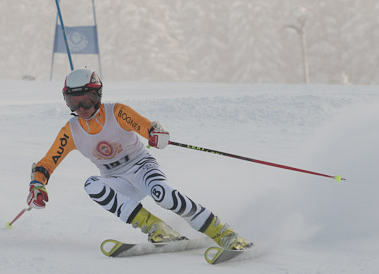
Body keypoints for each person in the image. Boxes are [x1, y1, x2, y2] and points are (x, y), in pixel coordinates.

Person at [27, 67, 251, 250]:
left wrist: (155, 133)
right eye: (73, 103)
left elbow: (145, 126)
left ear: (97, 96)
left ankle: (223, 232)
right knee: (92, 185)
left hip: (142, 167)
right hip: (115, 178)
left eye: (86, 100)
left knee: (163, 195)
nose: (81, 108)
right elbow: (48, 162)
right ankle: (156, 227)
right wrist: (37, 185)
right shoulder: (71, 130)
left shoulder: (117, 112)